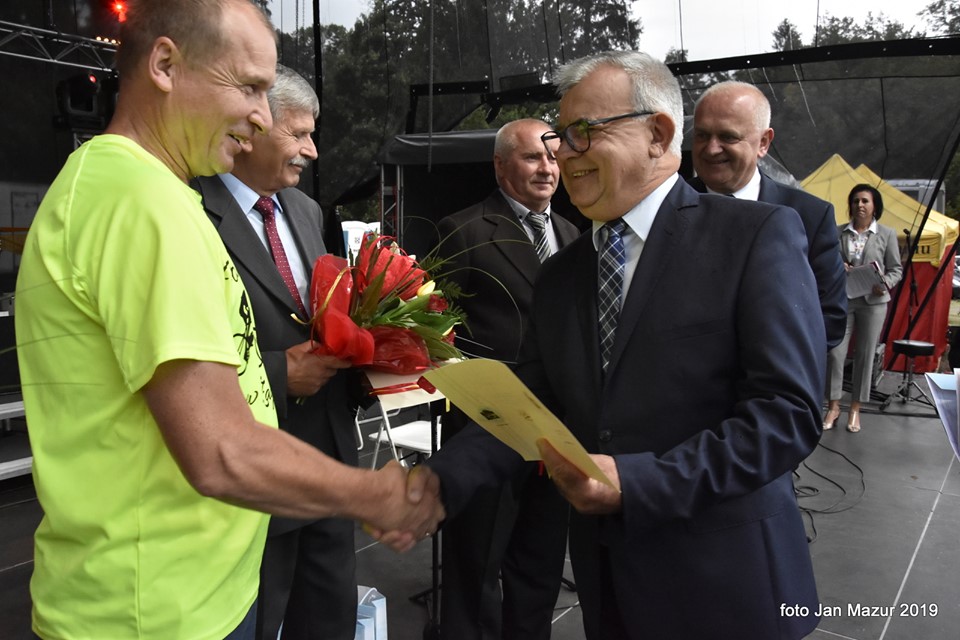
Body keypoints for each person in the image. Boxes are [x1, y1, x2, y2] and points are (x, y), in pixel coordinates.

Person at [14, 2, 441, 638]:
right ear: (165, 65)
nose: (263, 117)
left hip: (185, 594)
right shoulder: (141, 202)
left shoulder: (149, 193)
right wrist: (371, 494)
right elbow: (220, 450)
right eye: (249, 87)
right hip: (154, 613)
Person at [420, 50, 826, 640]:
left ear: (658, 133)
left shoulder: (753, 237)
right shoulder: (561, 275)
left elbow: (787, 415)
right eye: (560, 136)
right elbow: (532, 403)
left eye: (583, 132)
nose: (563, 153)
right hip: (608, 585)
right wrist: (436, 481)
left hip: (727, 585)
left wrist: (638, 483)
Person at [194, 64, 360, 640]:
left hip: (329, 459)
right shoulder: (189, 209)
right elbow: (192, 348)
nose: (312, 151)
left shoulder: (307, 211)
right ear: (255, 126)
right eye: (300, 134)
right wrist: (274, 375)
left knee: (330, 618)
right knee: (260, 620)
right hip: (257, 466)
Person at [434, 118, 581, 640]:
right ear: (500, 166)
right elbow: (434, 327)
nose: (547, 168)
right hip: (487, 428)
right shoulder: (464, 230)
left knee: (539, 565)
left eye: (554, 158)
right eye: (533, 157)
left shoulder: (573, 235)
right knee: (475, 566)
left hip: (556, 432)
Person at [690, 80, 847, 349]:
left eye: (728, 137)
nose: (711, 148)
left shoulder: (809, 216)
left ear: (763, 142)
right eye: (702, 135)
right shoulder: (665, 209)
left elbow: (829, 321)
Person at [824, 184, 903, 432]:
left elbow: (896, 269)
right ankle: (833, 406)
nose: (860, 205)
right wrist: (839, 267)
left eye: (865, 201)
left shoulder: (887, 234)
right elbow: (826, 262)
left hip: (873, 302)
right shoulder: (838, 232)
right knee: (835, 353)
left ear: (874, 206)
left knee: (865, 355)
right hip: (844, 299)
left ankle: (855, 408)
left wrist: (885, 283)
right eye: (856, 200)